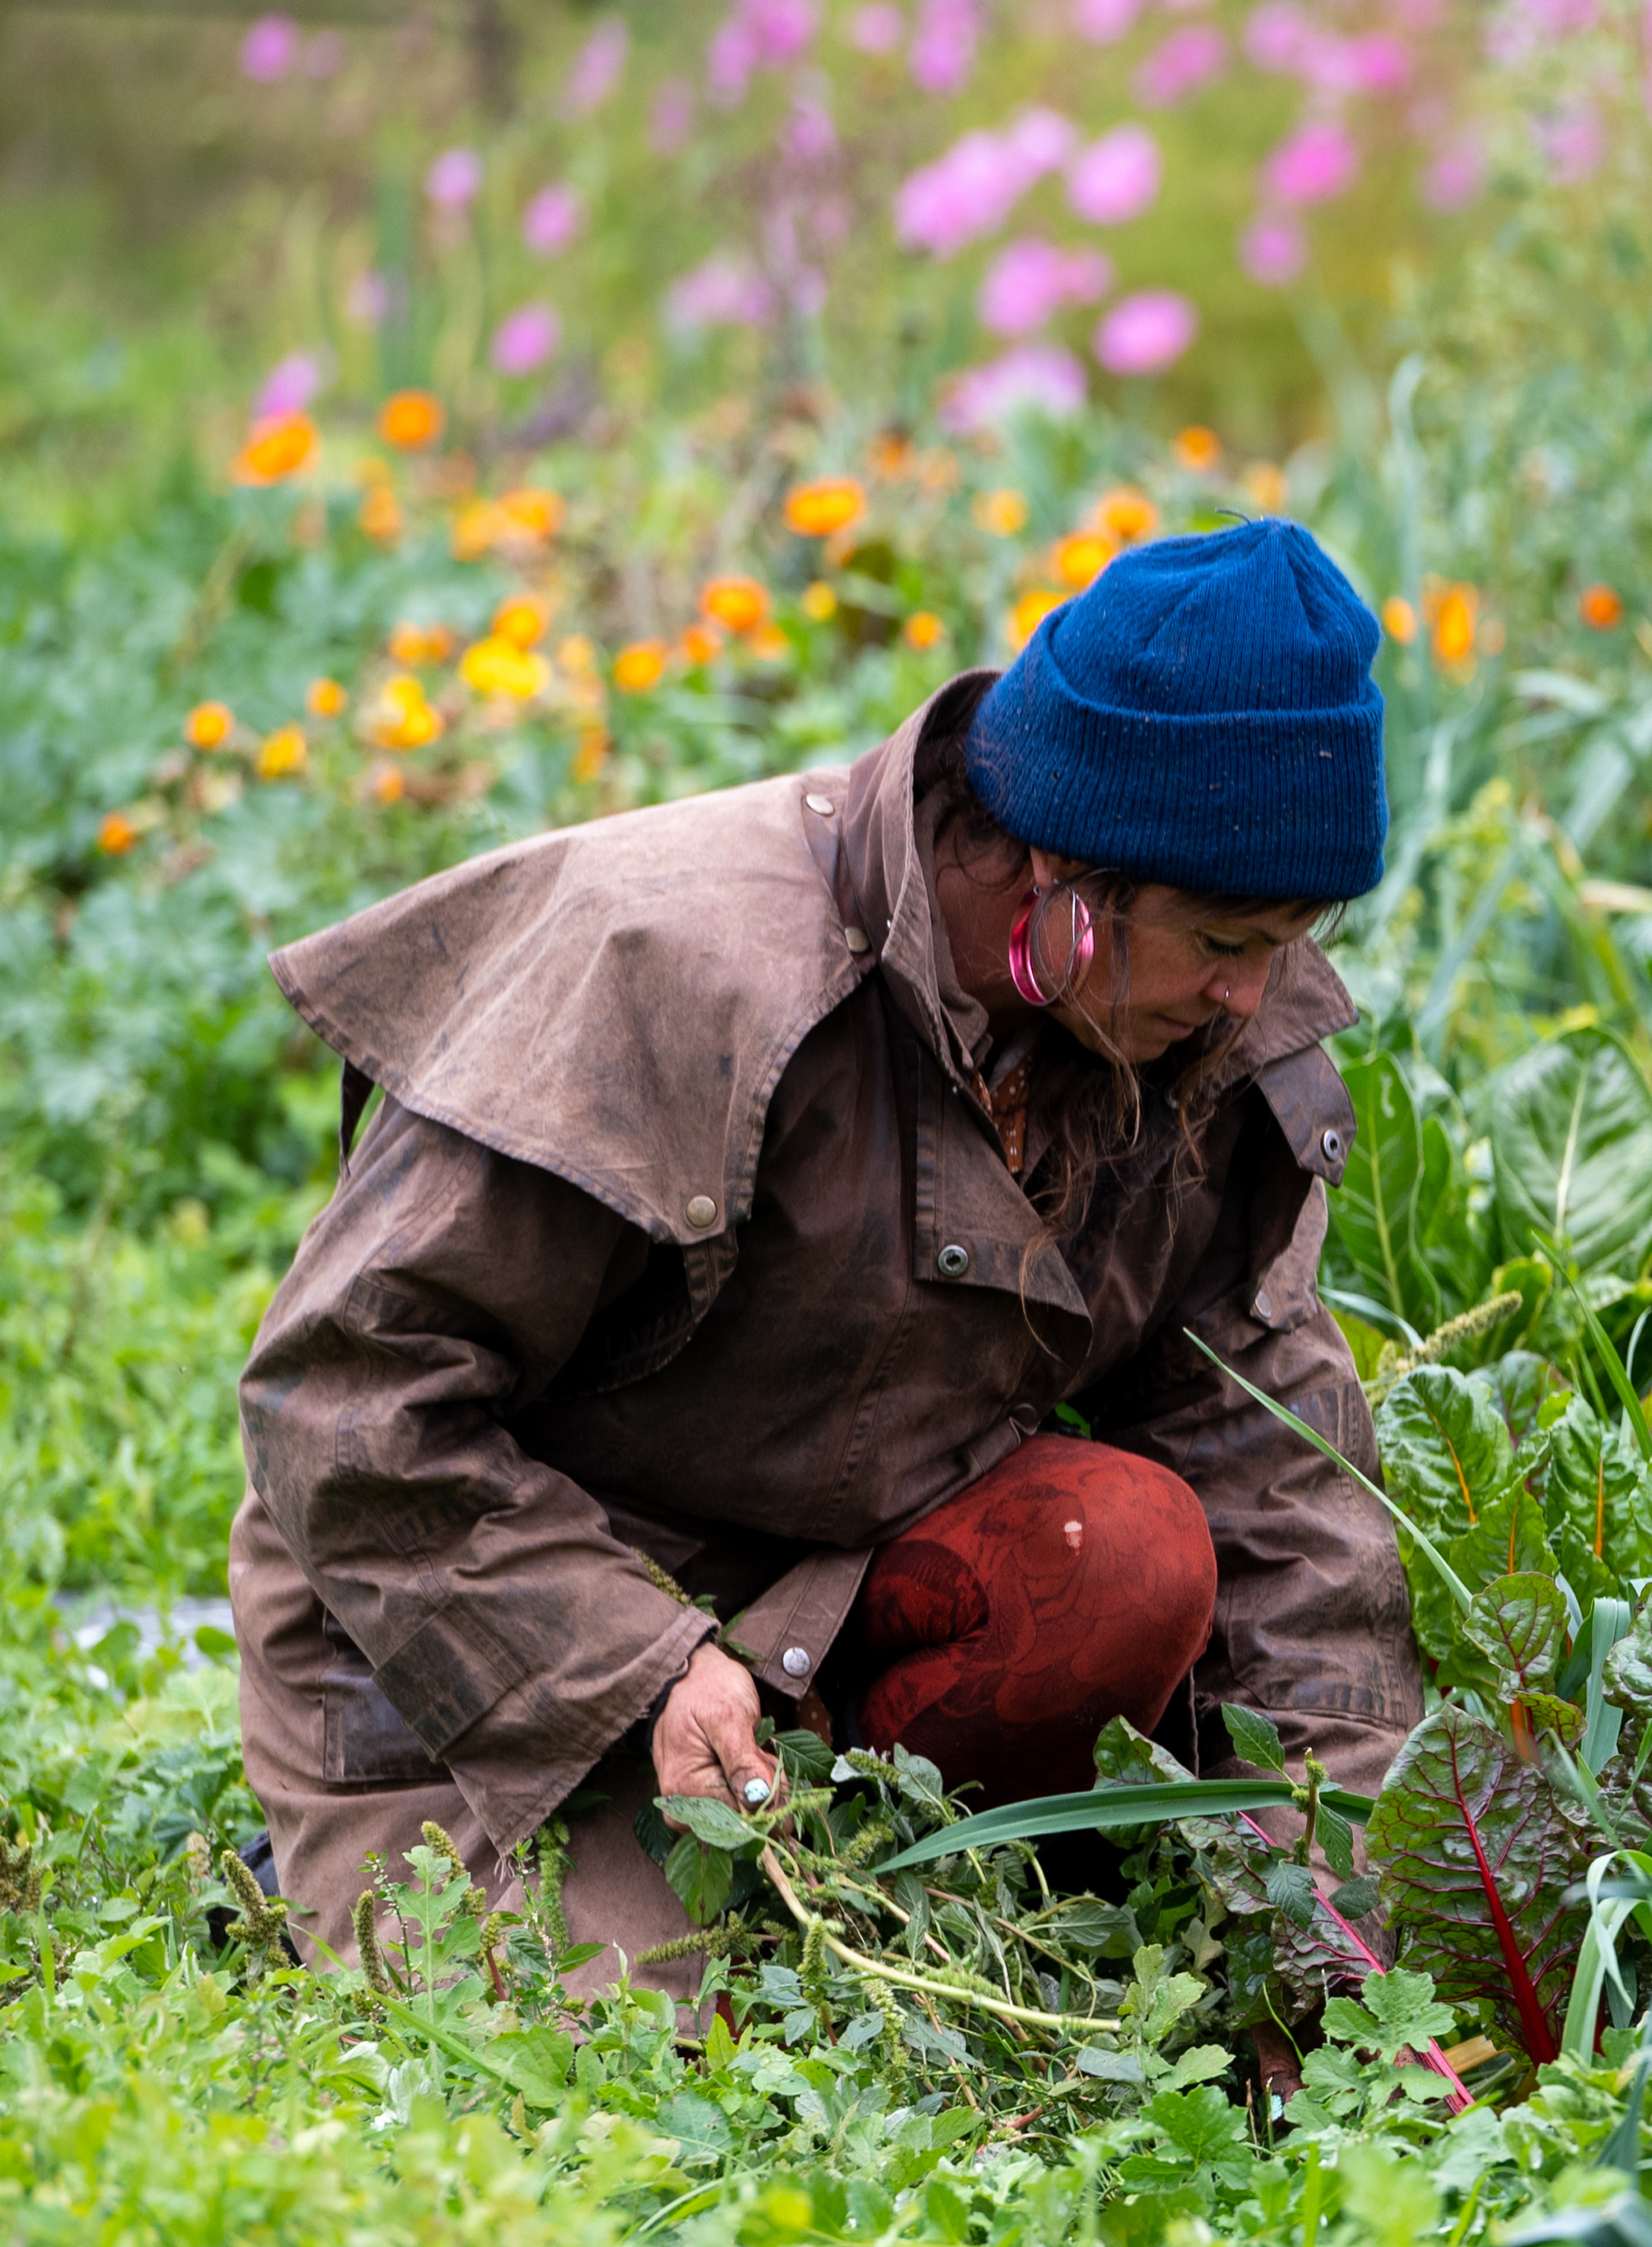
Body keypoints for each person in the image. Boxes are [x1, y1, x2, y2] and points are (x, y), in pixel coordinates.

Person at [230, 516, 1420, 2011]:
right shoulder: (667, 968)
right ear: (1063, 872)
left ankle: (862, 1848)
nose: (1255, 997)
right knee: (663, 2060)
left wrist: (1346, 1923)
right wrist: (640, 1665)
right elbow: (341, 1402)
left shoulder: (1194, 1031)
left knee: (1125, 1550)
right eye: (1224, 939)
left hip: (822, 1606)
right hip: (479, 1631)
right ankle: (372, 1857)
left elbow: (1280, 1492)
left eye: (1291, 941)